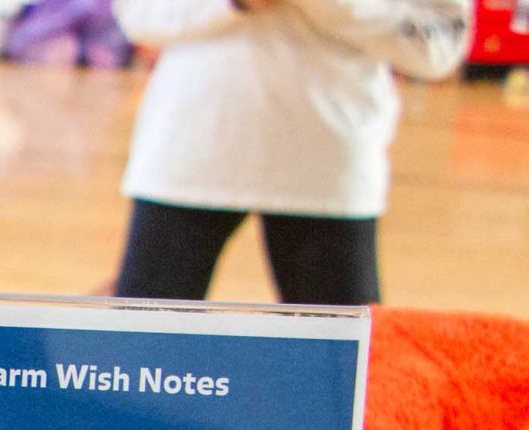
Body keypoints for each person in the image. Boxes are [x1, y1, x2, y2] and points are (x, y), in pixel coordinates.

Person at [109, 0, 471, 305]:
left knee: (343, 375)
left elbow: (439, 46)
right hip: (190, 155)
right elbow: (136, 15)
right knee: (140, 366)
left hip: (327, 168)